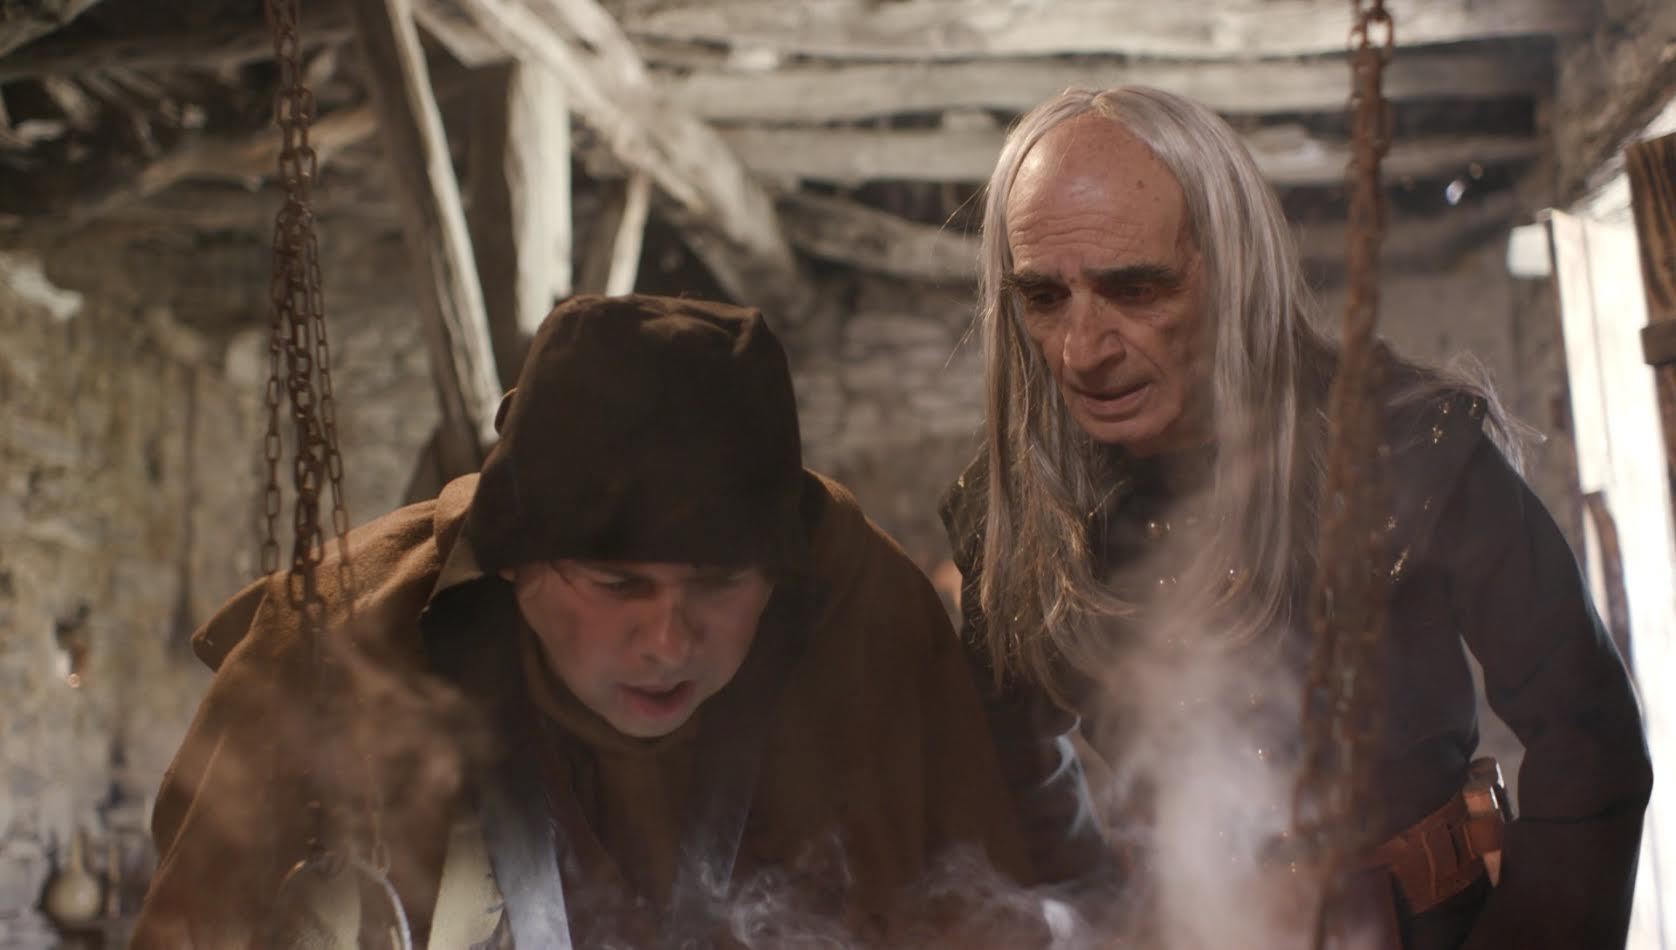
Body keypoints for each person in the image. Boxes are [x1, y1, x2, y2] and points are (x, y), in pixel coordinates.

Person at [940, 86, 1653, 949]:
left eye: (1136, 289)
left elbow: (1588, 736)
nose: (1081, 350)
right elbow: (1013, 777)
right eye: (1045, 298)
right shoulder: (1013, 516)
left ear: (1230, 269)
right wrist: (1103, 911)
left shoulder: (1410, 446)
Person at [135, 294, 1039, 948]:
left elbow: (986, 917)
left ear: (777, 576)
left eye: (718, 584)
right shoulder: (341, 651)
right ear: (517, 560)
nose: (667, 641)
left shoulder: (869, 626)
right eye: (617, 584)